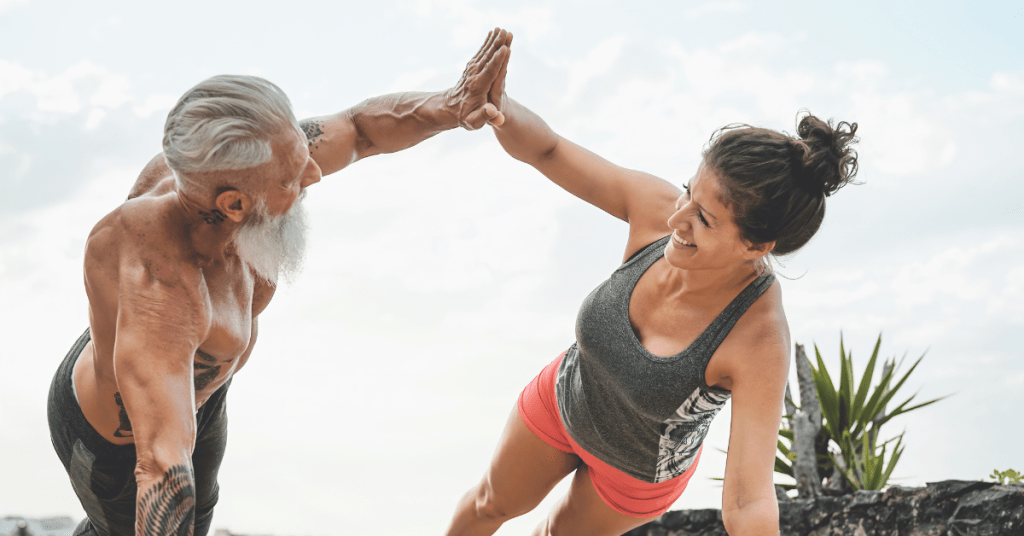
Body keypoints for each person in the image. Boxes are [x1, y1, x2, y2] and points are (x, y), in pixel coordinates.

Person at [47, 29, 512, 536]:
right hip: (117, 436)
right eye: (291, 177)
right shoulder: (166, 286)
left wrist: (448, 105)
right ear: (233, 205)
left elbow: (358, 130)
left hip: (197, 387)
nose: (313, 171)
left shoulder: (232, 169)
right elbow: (160, 465)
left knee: (202, 501)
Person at [444, 36, 859, 536]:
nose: (677, 218)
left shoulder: (758, 337)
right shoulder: (656, 208)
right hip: (567, 396)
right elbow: (548, 149)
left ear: (755, 246)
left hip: (634, 473)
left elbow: (748, 500)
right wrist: (499, 108)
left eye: (703, 219)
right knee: (486, 506)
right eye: (688, 190)